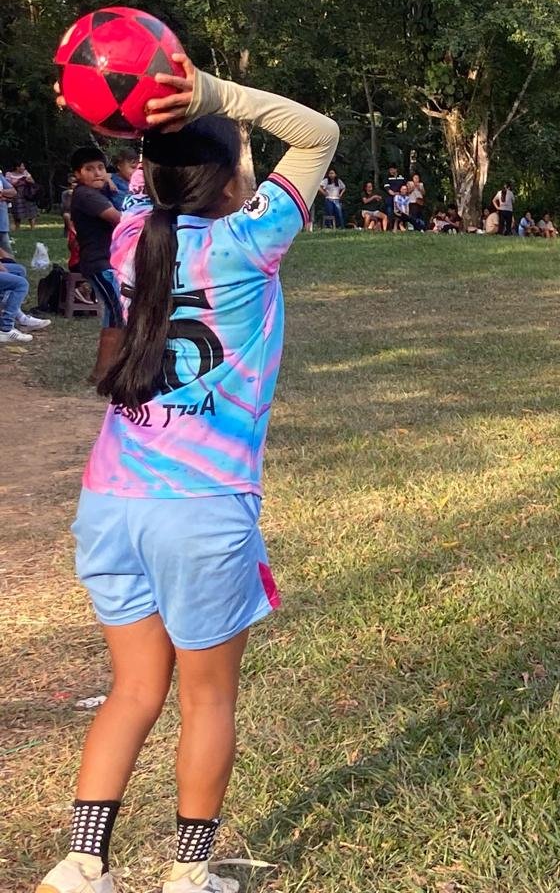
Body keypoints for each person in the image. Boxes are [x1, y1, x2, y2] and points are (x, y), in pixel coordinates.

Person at [38, 51, 338, 893]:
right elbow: (318, 134)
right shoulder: (252, 242)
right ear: (231, 179)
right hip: (201, 512)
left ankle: (79, 865)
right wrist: (211, 93)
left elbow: (152, 166)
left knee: (132, 691)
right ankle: (187, 875)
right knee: (207, 702)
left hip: (111, 504)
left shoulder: (134, 233)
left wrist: (122, 100)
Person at [69, 146, 125, 383]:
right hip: (100, 263)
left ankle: (109, 370)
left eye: (101, 168)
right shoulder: (85, 195)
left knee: (116, 315)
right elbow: (119, 219)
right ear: (78, 174)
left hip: (107, 262)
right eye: (89, 169)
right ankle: (102, 372)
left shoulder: (100, 193)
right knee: (118, 314)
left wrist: (112, 188)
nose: (98, 173)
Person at [6, 161, 40, 228]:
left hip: (27, 194)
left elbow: (33, 182)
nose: (23, 168)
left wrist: (28, 180)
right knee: (17, 211)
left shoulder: (25, 173)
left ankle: (32, 226)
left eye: (24, 166)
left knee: (31, 209)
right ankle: (17, 227)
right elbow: (7, 184)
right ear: (17, 167)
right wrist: (17, 182)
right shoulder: (9, 174)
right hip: (16, 194)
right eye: (22, 166)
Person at [0, 169, 15, 256]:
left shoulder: (0, 177)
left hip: (1, 221)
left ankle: (10, 264)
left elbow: (13, 192)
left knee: (6, 247)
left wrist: (2, 193)